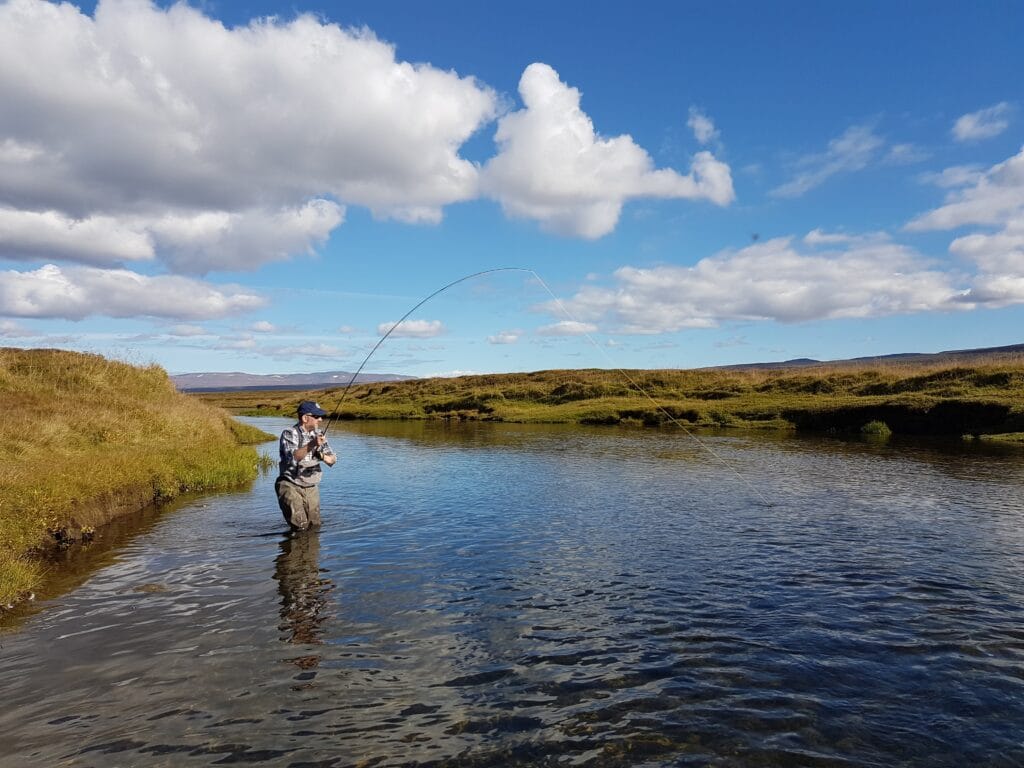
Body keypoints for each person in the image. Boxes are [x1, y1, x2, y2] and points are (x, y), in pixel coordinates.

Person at [276, 400, 337, 531]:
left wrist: (322, 456)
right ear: (305, 418)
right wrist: (312, 445)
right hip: (290, 484)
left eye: (320, 416)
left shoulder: (318, 435)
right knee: (300, 527)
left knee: (315, 526)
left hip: (311, 487)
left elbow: (332, 460)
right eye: (316, 416)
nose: (320, 419)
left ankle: (312, 552)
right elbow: (292, 458)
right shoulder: (289, 433)